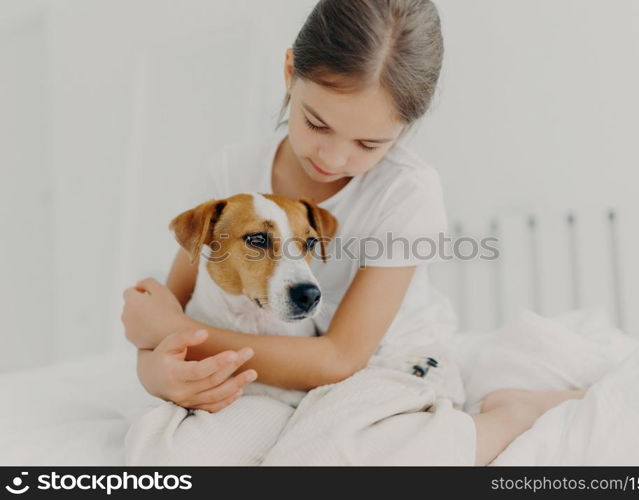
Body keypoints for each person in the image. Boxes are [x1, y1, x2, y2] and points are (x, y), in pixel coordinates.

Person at [121, 0, 586, 466]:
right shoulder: (231, 174)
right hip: (276, 378)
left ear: (406, 127)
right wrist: (155, 372)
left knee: (339, 456)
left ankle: (507, 416)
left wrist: (178, 331)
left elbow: (339, 359)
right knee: (167, 455)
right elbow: (161, 320)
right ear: (289, 73)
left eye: (369, 144)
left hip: (390, 363)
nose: (335, 158)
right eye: (316, 123)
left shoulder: (406, 191)